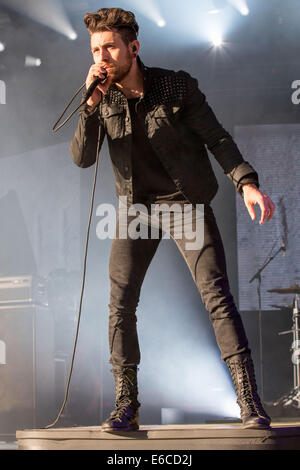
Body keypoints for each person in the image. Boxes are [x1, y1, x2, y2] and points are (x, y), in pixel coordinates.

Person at [70, 7, 276, 431]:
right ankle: (126, 403)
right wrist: (89, 105)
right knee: (120, 305)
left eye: (110, 46)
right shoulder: (101, 96)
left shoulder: (174, 85)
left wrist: (246, 182)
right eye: (95, 49)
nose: (102, 56)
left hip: (184, 202)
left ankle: (249, 401)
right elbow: (82, 158)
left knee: (216, 296)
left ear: (133, 47)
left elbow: (217, 137)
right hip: (134, 207)